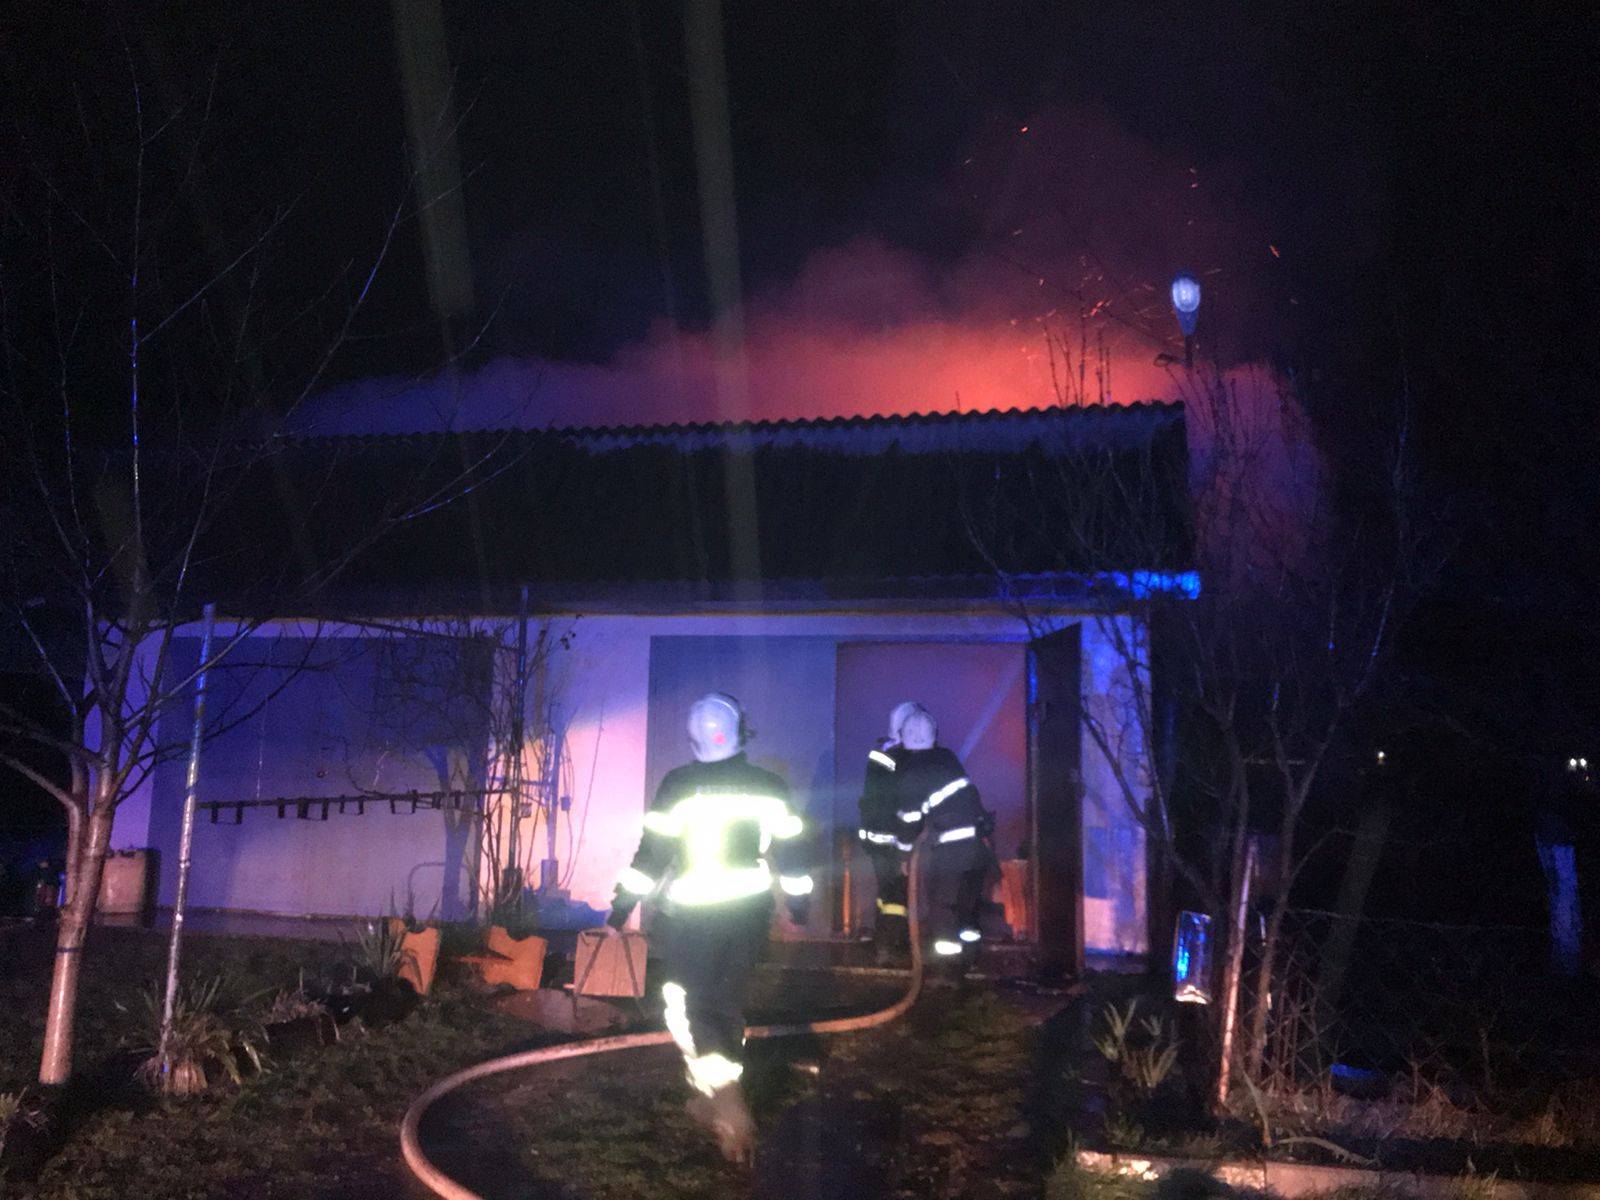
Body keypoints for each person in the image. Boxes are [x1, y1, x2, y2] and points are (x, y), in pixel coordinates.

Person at [605, 692, 811, 1164]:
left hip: (693, 917)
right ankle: (710, 1096)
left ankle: (729, 1103)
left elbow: (651, 855)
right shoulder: (768, 786)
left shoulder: (679, 785)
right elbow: (794, 853)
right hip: (748, 914)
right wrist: (798, 907)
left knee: (689, 1005)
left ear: (692, 738)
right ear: (741, 731)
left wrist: (620, 911)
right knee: (724, 1002)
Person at [893, 707, 993, 966]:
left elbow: (909, 819)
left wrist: (904, 855)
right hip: (978, 847)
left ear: (903, 738)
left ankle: (948, 972)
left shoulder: (912, 772)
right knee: (967, 906)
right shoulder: (947, 758)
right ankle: (970, 960)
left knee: (943, 908)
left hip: (952, 851)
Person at [856, 701, 925, 961]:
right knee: (896, 895)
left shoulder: (881, 755)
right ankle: (891, 947)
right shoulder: (906, 759)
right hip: (897, 840)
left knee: (886, 892)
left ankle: (883, 942)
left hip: (876, 838)